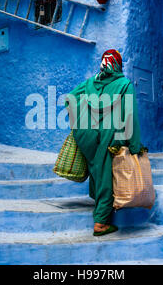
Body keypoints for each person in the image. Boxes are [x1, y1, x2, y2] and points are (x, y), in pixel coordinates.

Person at [66, 49, 141, 236]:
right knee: (106, 174)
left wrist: (80, 121)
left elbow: (70, 99)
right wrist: (134, 146)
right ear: (118, 65)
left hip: (86, 134)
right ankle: (101, 223)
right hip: (110, 134)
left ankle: (98, 201)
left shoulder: (90, 83)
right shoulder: (124, 84)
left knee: (97, 169)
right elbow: (129, 116)